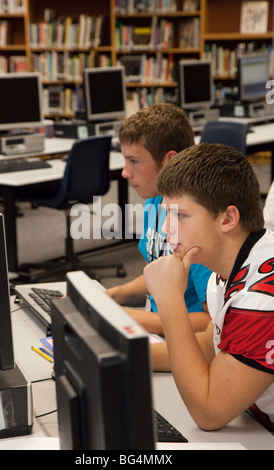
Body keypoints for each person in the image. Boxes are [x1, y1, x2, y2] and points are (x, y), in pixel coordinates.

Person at [144, 142, 274, 432]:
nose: (166, 228)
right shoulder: (229, 266)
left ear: (227, 218)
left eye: (180, 215)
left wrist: (169, 299)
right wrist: (125, 358)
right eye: (167, 214)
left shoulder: (262, 301)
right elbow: (211, 345)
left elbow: (208, 413)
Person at [107, 103, 211, 335]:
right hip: (159, 328)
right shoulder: (156, 201)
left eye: (134, 161)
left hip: (186, 341)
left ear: (169, 160)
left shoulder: (198, 224)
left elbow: (211, 322)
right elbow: (161, 272)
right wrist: (114, 294)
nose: (125, 171)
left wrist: (134, 318)